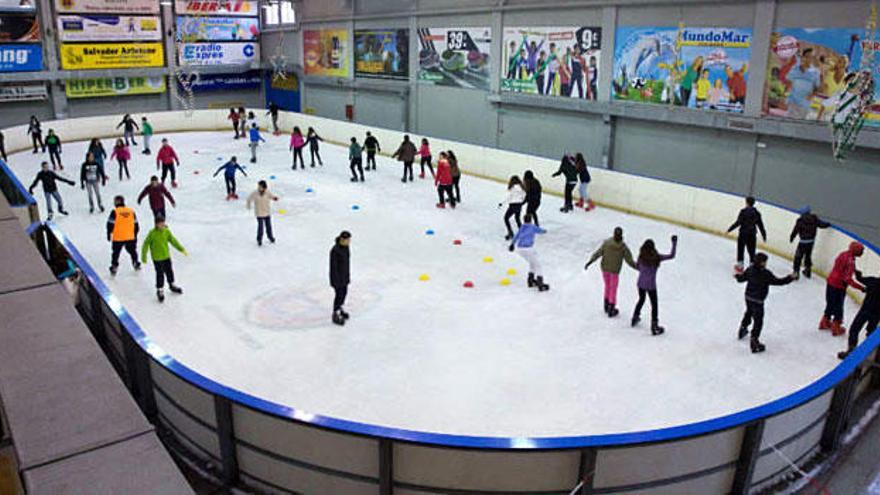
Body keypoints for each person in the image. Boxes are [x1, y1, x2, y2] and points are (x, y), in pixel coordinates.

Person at [735, 253, 795, 353]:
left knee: (749, 312)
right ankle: (754, 342)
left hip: (748, 297)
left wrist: (737, 276)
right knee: (758, 321)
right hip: (758, 300)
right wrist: (790, 278)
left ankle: (743, 328)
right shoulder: (765, 274)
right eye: (765, 262)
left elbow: (742, 279)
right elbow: (778, 282)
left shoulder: (750, 269)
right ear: (762, 263)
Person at [585, 227, 637, 317]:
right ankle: (611, 308)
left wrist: (590, 261)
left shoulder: (607, 243)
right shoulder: (623, 247)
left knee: (607, 286)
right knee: (613, 289)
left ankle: (606, 305)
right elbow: (629, 260)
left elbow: (598, 253)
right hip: (614, 271)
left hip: (605, 269)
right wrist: (638, 267)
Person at [632, 236, 678, 335]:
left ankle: (635, 316)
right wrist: (674, 243)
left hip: (640, 283)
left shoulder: (641, 257)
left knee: (641, 299)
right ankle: (654, 326)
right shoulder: (657, 257)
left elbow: (637, 267)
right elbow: (671, 255)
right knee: (654, 305)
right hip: (651, 286)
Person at [822, 242, 866, 336]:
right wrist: (861, 288)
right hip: (839, 286)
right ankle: (836, 327)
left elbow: (841, 266)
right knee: (838, 307)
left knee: (830, 303)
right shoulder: (850, 261)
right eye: (861, 251)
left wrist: (854, 270)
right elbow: (847, 279)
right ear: (856, 250)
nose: (862, 253)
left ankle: (824, 322)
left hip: (831, 282)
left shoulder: (843, 254)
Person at [141, 214, 187, 302]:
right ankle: (160, 289)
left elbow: (173, 241)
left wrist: (181, 249)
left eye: (163, 223)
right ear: (156, 224)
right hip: (157, 258)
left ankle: (171, 284)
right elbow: (145, 244)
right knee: (160, 274)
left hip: (166, 256)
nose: (162, 225)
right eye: (160, 224)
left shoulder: (167, 231)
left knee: (169, 270)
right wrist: (144, 256)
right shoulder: (152, 233)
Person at [838, 270, 880, 359]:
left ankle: (851, 351)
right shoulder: (873, 281)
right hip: (877, 314)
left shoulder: (873, 281)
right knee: (871, 332)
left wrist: (858, 273)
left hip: (865, 311)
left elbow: (860, 279)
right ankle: (869, 354)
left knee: (854, 329)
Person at [788, 207, 831, 279]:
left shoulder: (800, 221)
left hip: (802, 242)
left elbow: (795, 230)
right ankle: (808, 271)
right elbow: (822, 225)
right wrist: (828, 224)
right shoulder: (814, 218)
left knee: (798, 257)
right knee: (808, 256)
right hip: (811, 242)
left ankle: (796, 273)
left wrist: (791, 237)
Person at [509, 214, 549, 291]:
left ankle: (530, 280)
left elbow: (516, 236)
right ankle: (540, 284)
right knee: (538, 265)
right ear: (531, 220)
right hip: (528, 249)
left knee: (532, 263)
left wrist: (512, 244)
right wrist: (545, 231)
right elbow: (540, 231)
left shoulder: (522, 227)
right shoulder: (532, 227)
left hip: (520, 249)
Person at [727, 196, 766, 273]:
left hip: (743, 234)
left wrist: (730, 229)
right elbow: (760, 225)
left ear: (747, 202)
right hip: (752, 234)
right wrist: (764, 234)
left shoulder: (743, 212)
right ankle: (752, 266)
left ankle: (740, 266)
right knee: (752, 250)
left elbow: (738, 222)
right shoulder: (757, 213)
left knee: (741, 249)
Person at [106, 195, 141, 275]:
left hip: (118, 237)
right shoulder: (131, 211)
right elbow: (136, 224)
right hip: (130, 236)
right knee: (132, 251)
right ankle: (136, 262)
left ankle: (114, 266)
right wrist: (135, 234)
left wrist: (108, 233)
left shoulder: (115, 212)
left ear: (117, 202)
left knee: (116, 253)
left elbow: (110, 224)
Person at [330, 231, 352, 326]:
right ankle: (335, 313)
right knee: (339, 295)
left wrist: (347, 276)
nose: (349, 242)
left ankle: (340, 308)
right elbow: (333, 267)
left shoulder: (346, 248)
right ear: (342, 240)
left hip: (344, 277)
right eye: (347, 240)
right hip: (338, 279)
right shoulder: (335, 251)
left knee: (344, 294)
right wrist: (336, 281)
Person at [246, 180, 278, 246]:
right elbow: (249, 199)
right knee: (260, 227)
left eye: (260, 186)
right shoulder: (255, 193)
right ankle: (259, 240)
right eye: (258, 186)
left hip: (267, 212)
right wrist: (248, 206)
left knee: (268, 226)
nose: (259, 187)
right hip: (259, 213)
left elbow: (271, 196)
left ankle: (270, 237)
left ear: (264, 187)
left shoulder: (267, 192)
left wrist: (274, 198)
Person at [500, 175, 525, 240]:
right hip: (519, 205)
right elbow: (524, 195)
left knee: (506, 218)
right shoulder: (522, 187)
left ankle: (510, 232)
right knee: (517, 218)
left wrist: (502, 203)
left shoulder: (513, 188)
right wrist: (521, 201)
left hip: (513, 205)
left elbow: (508, 197)